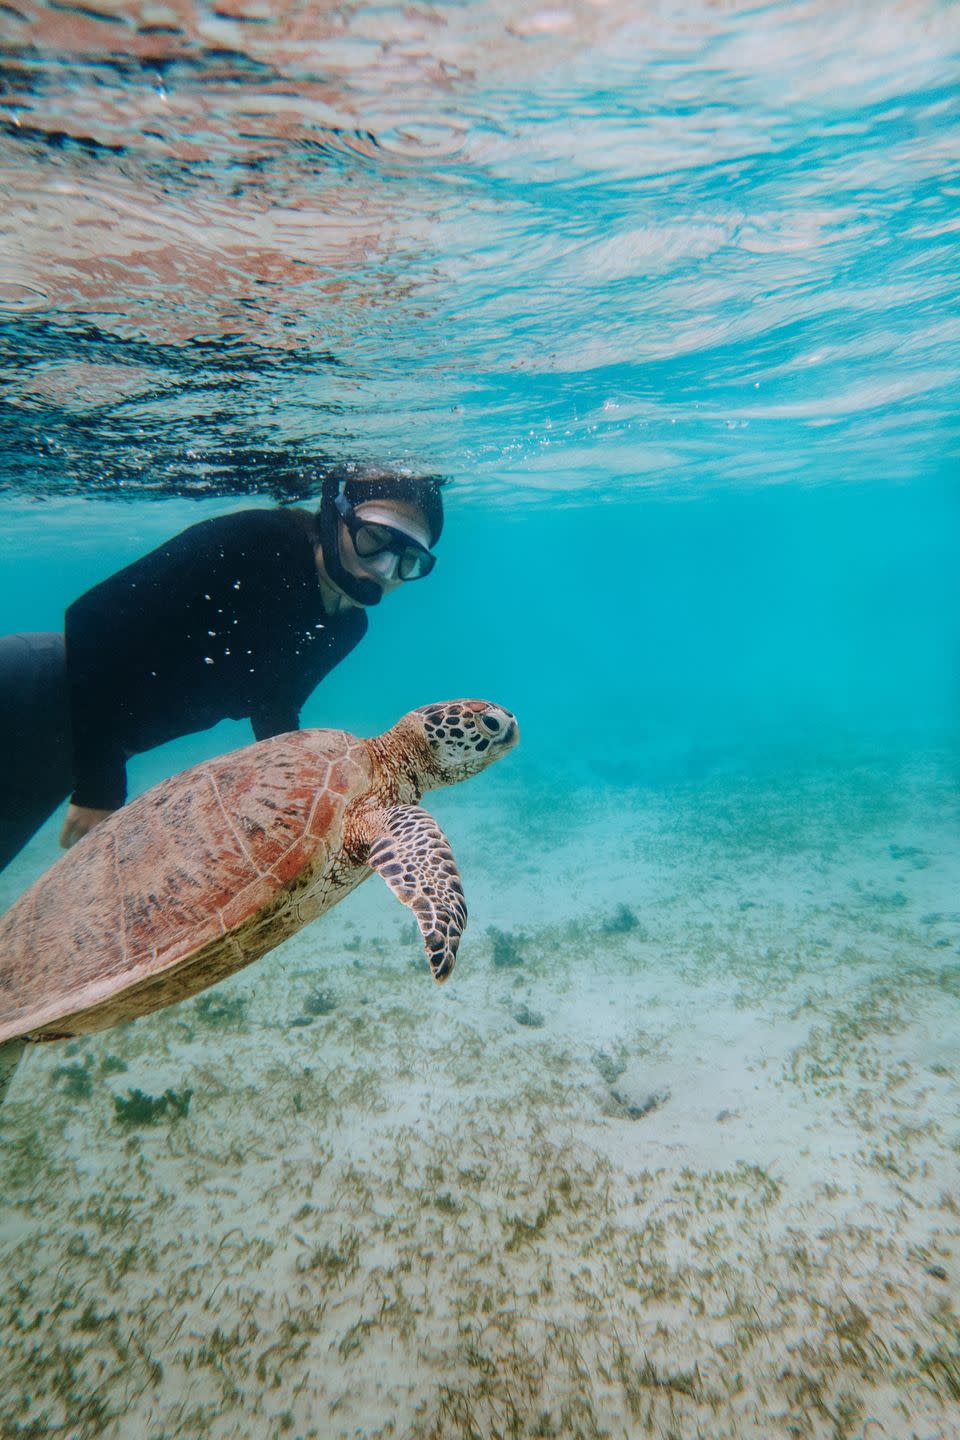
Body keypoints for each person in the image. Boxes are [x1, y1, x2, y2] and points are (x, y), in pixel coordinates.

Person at [0, 465, 446, 872]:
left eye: (411, 560)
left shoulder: (347, 627)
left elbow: (275, 705)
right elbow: (90, 617)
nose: (386, 570)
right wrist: (99, 783)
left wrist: (302, 799)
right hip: (31, 690)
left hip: (76, 741)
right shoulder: (258, 540)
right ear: (336, 514)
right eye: (374, 538)